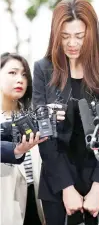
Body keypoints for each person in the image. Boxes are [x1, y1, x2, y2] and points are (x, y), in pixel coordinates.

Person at [32, 0, 99, 225]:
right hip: (58, 176)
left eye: (79, 36)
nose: (72, 43)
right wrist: (66, 187)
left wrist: (98, 187)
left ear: (92, 34)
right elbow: (44, 134)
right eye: (65, 36)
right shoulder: (43, 69)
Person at [0, 52, 46, 225]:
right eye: (12, 73)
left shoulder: (35, 117)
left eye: (24, 74)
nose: (20, 79)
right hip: (5, 205)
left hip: (36, 203)